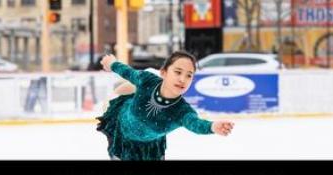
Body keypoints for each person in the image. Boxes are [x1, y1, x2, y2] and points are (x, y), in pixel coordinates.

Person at [96, 50, 234, 161]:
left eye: (189, 76)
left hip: (150, 148)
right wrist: (112, 63)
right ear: (164, 72)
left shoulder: (182, 111)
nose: (182, 79)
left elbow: (196, 124)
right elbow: (127, 71)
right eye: (178, 72)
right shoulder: (147, 80)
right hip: (121, 129)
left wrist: (212, 127)